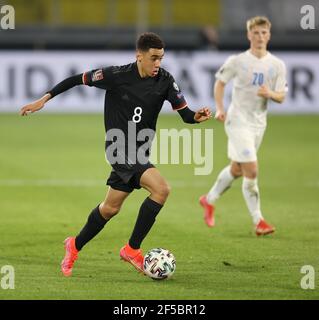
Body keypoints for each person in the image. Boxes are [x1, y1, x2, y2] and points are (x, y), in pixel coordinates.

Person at [20, 32, 212, 276]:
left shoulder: (165, 80)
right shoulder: (116, 75)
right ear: (139, 56)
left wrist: (196, 117)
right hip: (119, 148)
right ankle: (132, 249)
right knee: (161, 189)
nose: (157, 64)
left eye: (161, 59)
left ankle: (74, 245)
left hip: (139, 151)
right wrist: (44, 99)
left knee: (109, 208)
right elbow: (77, 79)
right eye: (153, 58)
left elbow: (186, 115)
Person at [199, 16, 287, 235]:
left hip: (259, 124)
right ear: (249, 35)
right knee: (252, 169)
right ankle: (259, 221)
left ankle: (208, 200)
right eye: (255, 33)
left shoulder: (277, 65)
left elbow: (281, 96)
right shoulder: (237, 61)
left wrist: (270, 94)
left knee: (238, 168)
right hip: (237, 121)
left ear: (269, 34)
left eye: (264, 33)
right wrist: (219, 108)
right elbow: (220, 83)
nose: (260, 37)